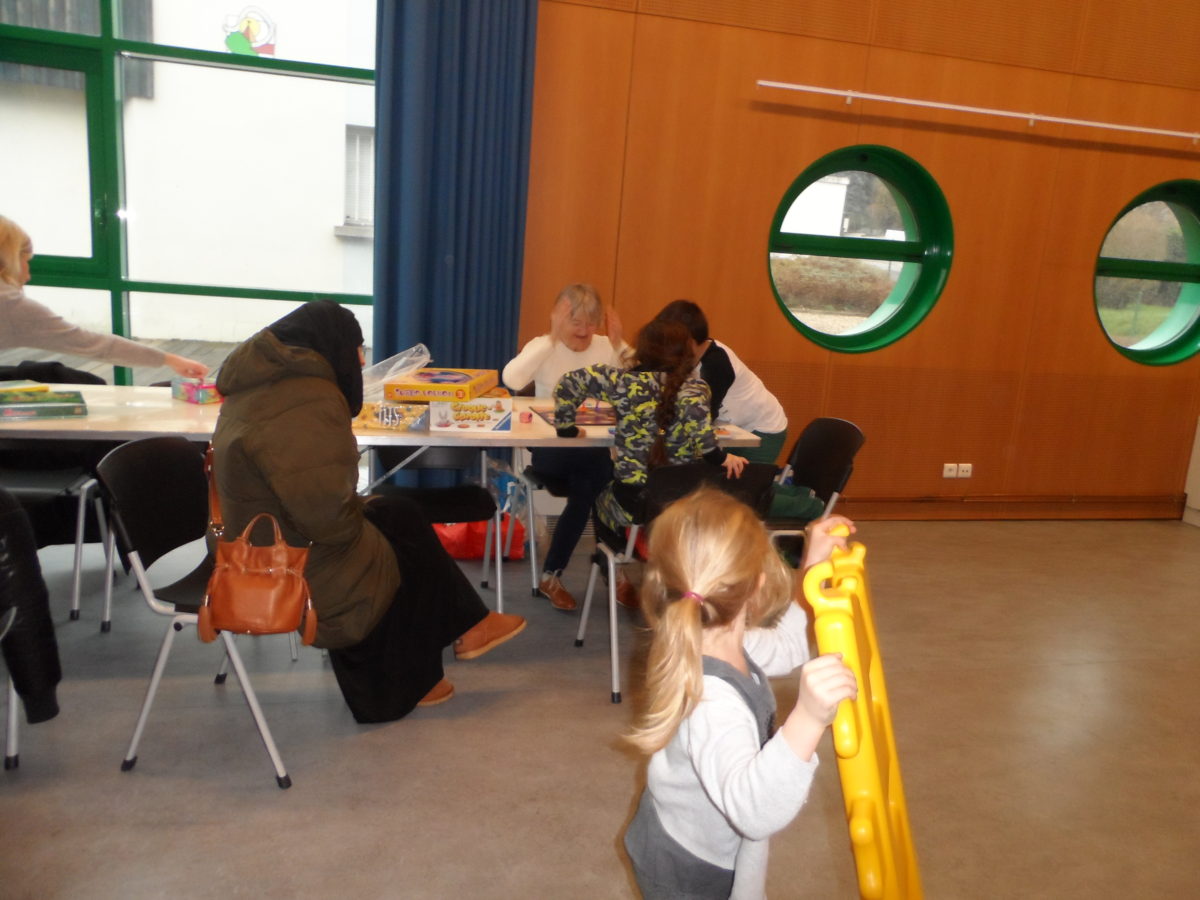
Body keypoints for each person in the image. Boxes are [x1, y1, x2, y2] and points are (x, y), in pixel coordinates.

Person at [210, 300, 526, 722]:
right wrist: (360, 518)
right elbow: (326, 518)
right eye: (356, 347)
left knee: (398, 514)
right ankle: (399, 683)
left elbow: (311, 493)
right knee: (399, 545)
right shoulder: (304, 399)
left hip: (270, 534)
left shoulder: (266, 386)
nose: (361, 360)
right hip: (285, 556)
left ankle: (464, 632)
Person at [623, 488, 858, 899]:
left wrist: (814, 565)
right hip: (692, 872)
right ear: (757, 585)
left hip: (688, 837)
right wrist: (806, 719)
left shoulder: (720, 637)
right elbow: (754, 810)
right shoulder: (713, 701)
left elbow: (788, 646)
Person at [553, 318, 746, 608]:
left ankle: (613, 568)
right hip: (680, 512)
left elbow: (569, 383)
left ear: (643, 351)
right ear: (686, 354)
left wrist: (566, 427)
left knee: (598, 494)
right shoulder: (697, 388)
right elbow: (704, 440)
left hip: (632, 506)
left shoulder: (621, 382)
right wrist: (722, 457)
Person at [502, 283, 627, 611]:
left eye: (591, 323)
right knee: (603, 480)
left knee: (591, 485)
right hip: (550, 449)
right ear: (559, 319)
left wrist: (619, 344)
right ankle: (614, 569)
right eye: (576, 322)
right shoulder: (543, 345)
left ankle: (552, 575)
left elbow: (640, 379)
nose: (584, 331)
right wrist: (552, 338)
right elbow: (512, 379)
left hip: (592, 449)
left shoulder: (605, 347)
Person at [0, 215, 208, 378]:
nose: (28, 274)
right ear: (10, 259)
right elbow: (92, 344)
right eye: (27, 260)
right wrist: (170, 360)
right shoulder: (11, 305)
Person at [655, 300, 787, 465]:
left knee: (740, 480)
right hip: (731, 429)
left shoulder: (717, 364)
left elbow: (700, 418)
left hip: (762, 429)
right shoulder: (686, 357)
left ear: (690, 341)